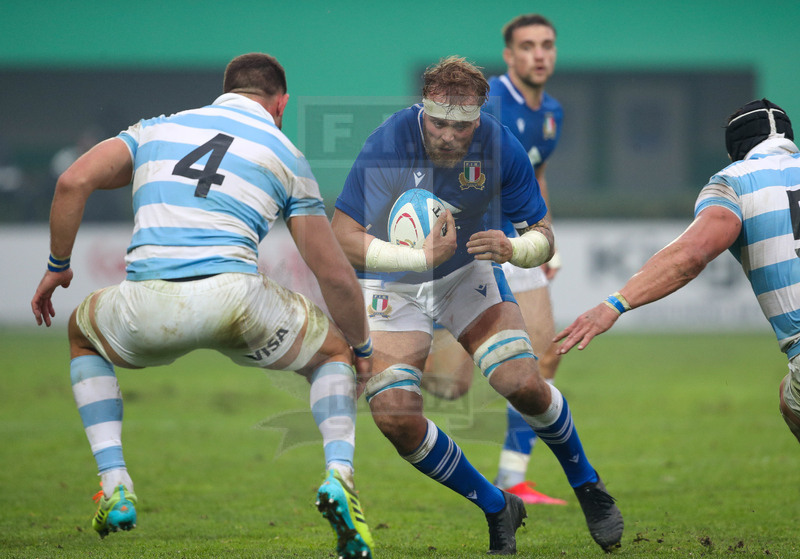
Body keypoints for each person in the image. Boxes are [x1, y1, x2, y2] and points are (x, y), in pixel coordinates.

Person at [30, 53, 375, 559]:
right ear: (281, 104)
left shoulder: (154, 131)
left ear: (224, 91)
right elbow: (333, 274)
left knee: (83, 335)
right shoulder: (284, 152)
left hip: (146, 302)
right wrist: (362, 346)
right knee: (332, 355)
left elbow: (71, 182)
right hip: (236, 300)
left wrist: (59, 265)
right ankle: (340, 477)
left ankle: (116, 483)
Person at [331, 55, 623, 554]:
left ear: (479, 117)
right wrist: (414, 255)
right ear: (423, 110)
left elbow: (543, 236)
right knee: (396, 417)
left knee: (521, 383)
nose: (447, 134)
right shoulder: (388, 143)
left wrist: (515, 250)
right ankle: (496, 504)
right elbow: (343, 235)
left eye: (460, 126)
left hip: (467, 271)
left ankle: (587, 484)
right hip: (396, 282)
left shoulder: (500, 145)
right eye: (437, 122)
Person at [555, 98, 800, 445]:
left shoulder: (734, 182)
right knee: (787, 395)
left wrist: (614, 304)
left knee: (792, 401)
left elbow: (690, 256)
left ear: (734, 151)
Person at [421, 13, 567, 506]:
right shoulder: (490, 104)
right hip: (470, 253)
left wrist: (543, 239)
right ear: (509, 55)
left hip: (515, 246)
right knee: (450, 385)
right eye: (527, 46)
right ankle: (383, 357)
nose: (539, 54)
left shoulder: (552, 114)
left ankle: (512, 475)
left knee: (546, 353)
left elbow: (535, 176)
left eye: (546, 45)